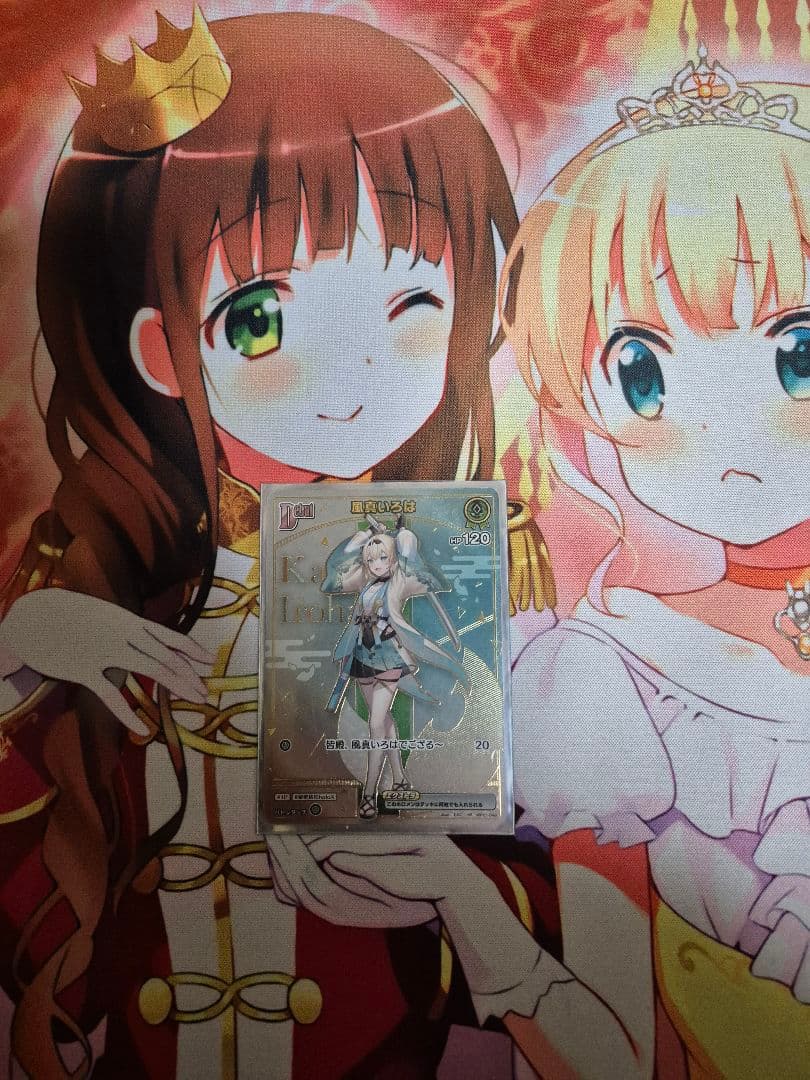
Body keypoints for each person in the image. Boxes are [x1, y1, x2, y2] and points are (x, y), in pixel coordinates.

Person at [0, 10, 558, 1078]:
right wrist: (24, 657)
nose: (351, 380)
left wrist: (455, 892)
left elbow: (539, 866)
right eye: (258, 320)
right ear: (160, 350)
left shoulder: (441, 570)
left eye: (413, 301)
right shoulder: (112, 579)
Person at [289, 49, 810, 1078]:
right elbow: (614, 1053)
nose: (732, 433)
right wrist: (461, 895)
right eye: (642, 373)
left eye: (798, 354)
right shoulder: (603, 684)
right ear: (580, 415)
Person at [322, 516, 465, 816]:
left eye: (382, 557)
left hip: (389, 658)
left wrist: (403, 535)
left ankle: (369, 793)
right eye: (370, 559)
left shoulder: (401, 580)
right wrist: (364, 536)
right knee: (384, 721)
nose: (376, 564)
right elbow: (334, 574)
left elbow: (415, 562)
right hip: (362, 657)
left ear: (393, 558)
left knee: (376, 725)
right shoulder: (364, 581)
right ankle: (399, 778)